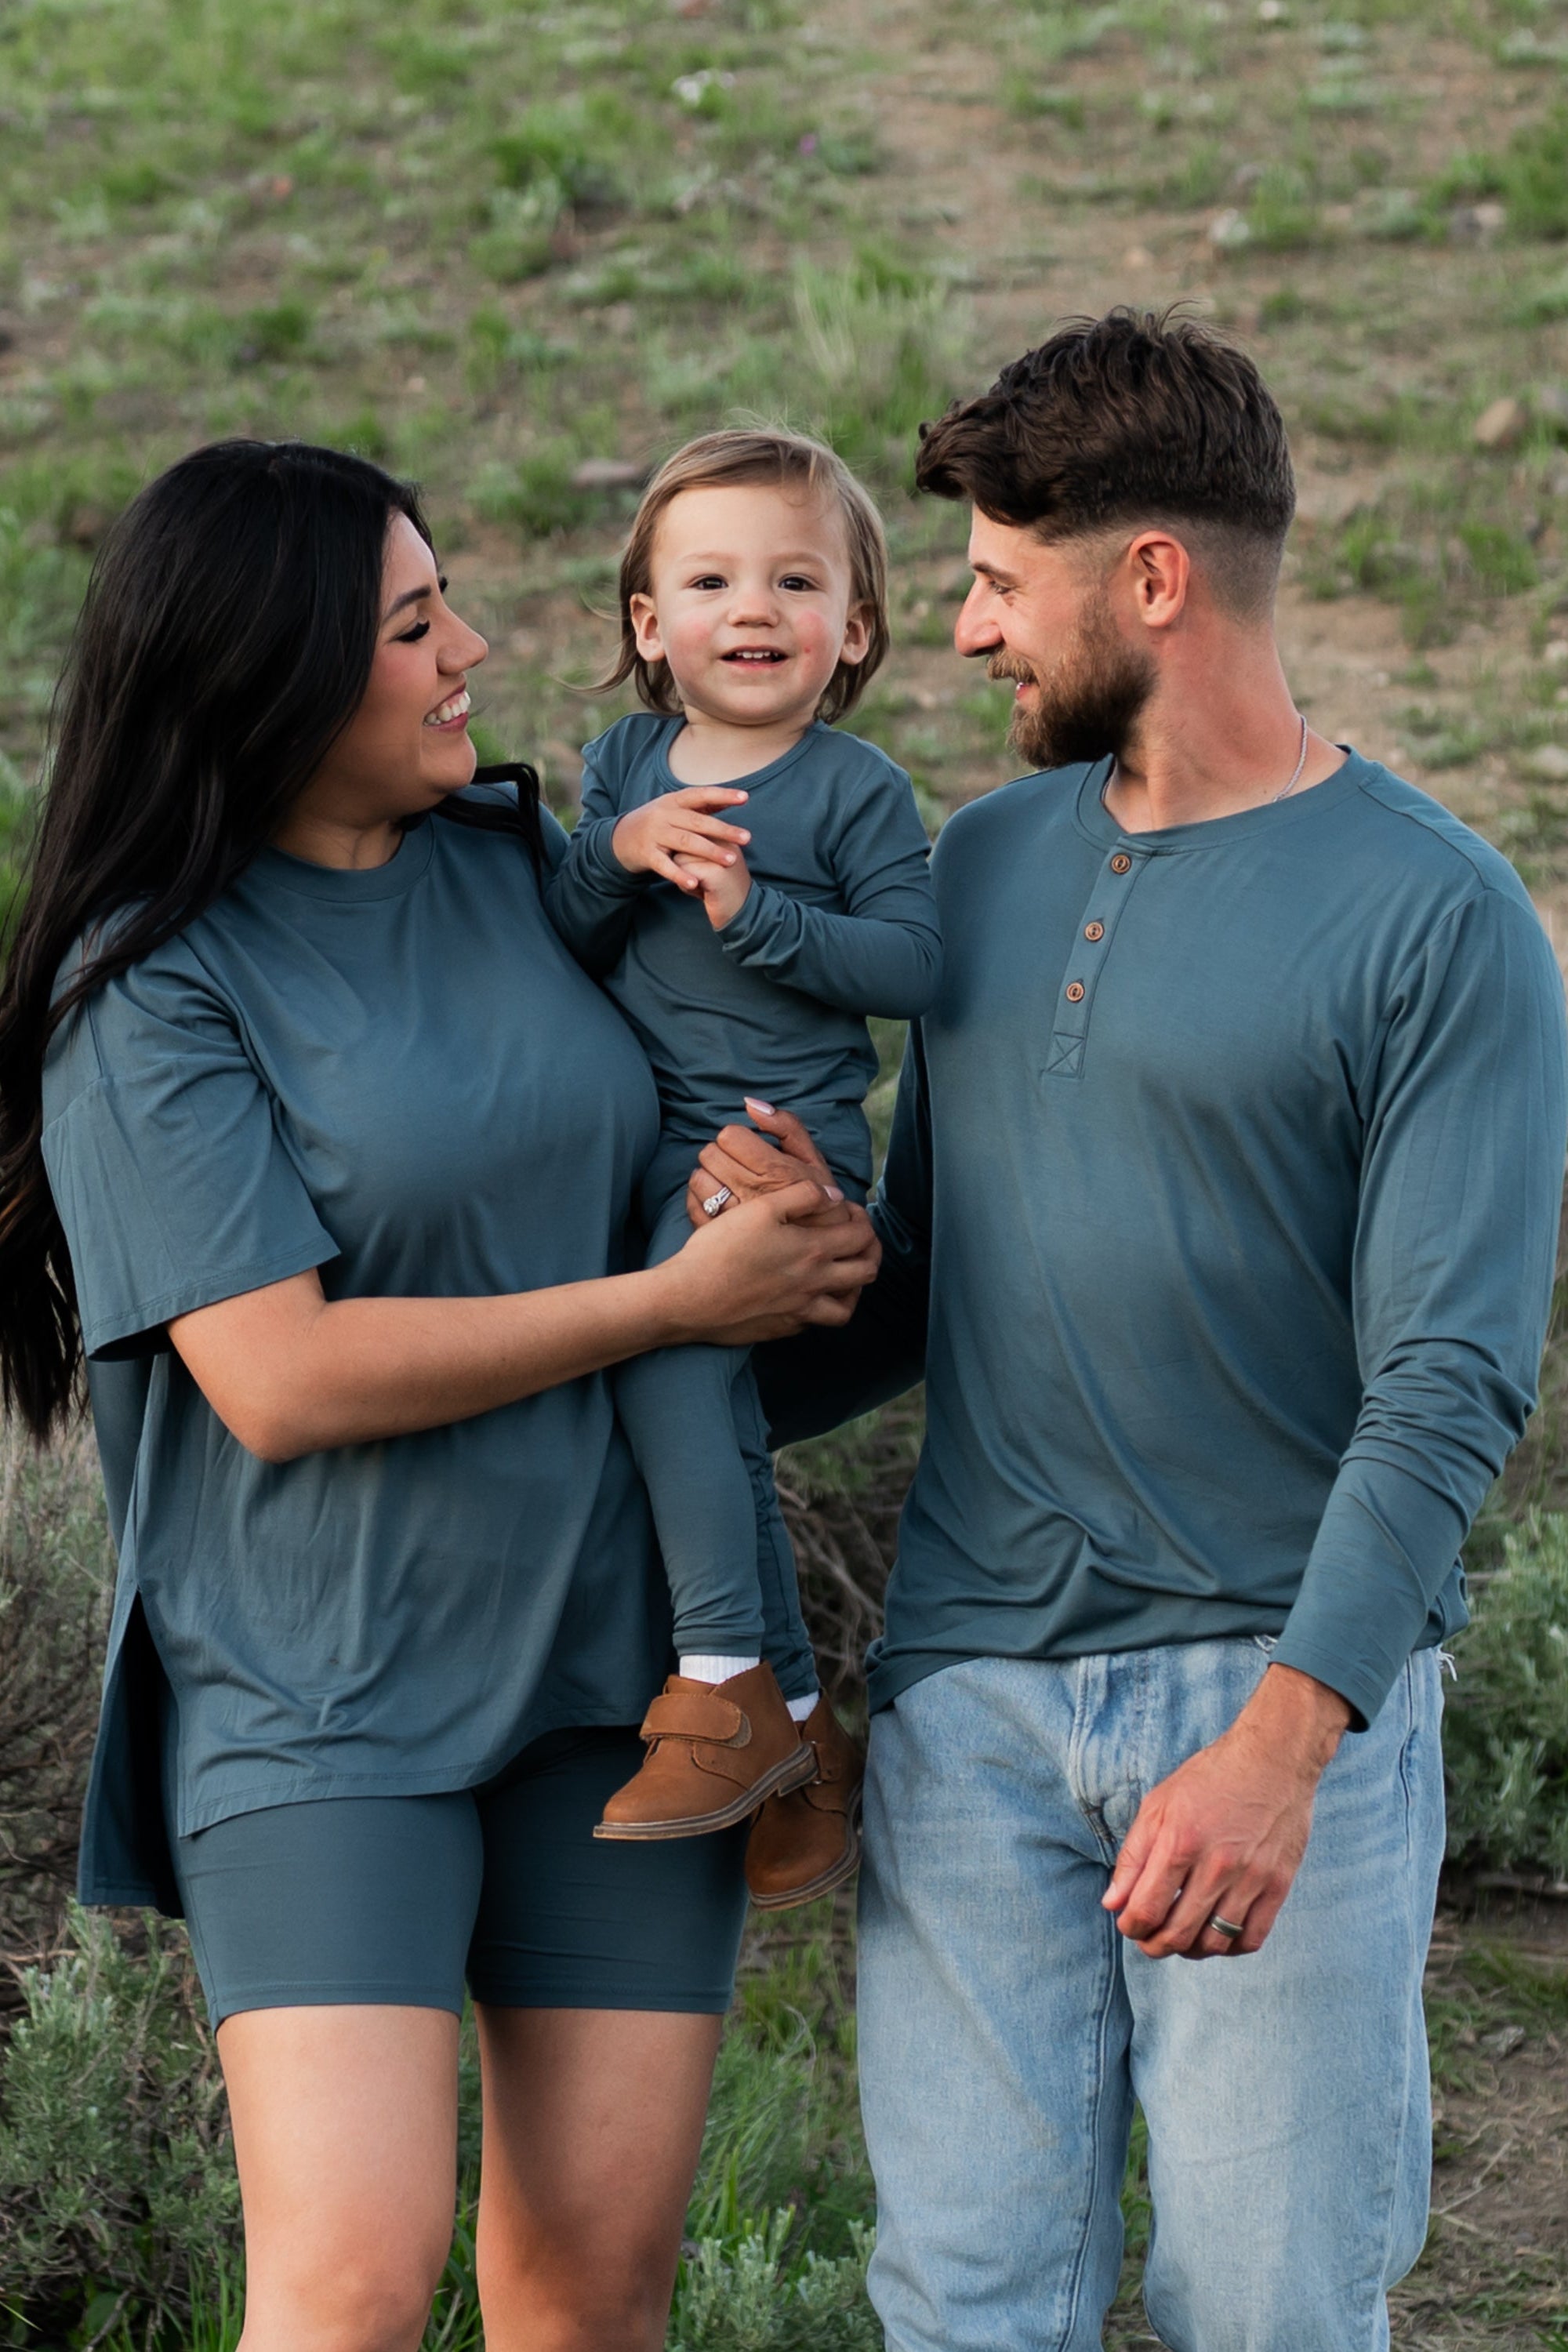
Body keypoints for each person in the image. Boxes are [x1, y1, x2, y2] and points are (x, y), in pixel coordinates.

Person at [686, 310, 1568, 2352]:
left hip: (1276, 1712)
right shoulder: (977, 865)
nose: (969, 633)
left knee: (1265, 2308)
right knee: (967, 2304)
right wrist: (703, 1314)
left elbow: (1451, 1382)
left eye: (1000, 581)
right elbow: (930, 1282)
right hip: (974, 1707)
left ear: (1152, 581)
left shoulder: (1438, 921)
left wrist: (1284, 1751)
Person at [0, 439, 877, 2352]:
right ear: (273, 675)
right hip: (324, 1704)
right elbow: (284, 1377)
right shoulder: (148, 989)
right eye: (413, 625)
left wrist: (788, 1233)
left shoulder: (519, 866)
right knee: (349, 2284)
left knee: (591, 2297)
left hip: (622, 1694)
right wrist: (665, 1303)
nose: (472, 646)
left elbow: (686, 1132)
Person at [545, 428, 938, 1900]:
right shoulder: (627, 764)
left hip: (780, 1154)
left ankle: (719, 1684)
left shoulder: (850, 791)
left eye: (796, 578)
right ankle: (794, 1731)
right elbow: (568, 934)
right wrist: (615, 851)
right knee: (702, 1405)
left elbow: (914, 964)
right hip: (647, 1147)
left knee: (669, 1356)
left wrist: (756, 916)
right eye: (710, 580)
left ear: (853, 627)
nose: (753, 607)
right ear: (652, 626)